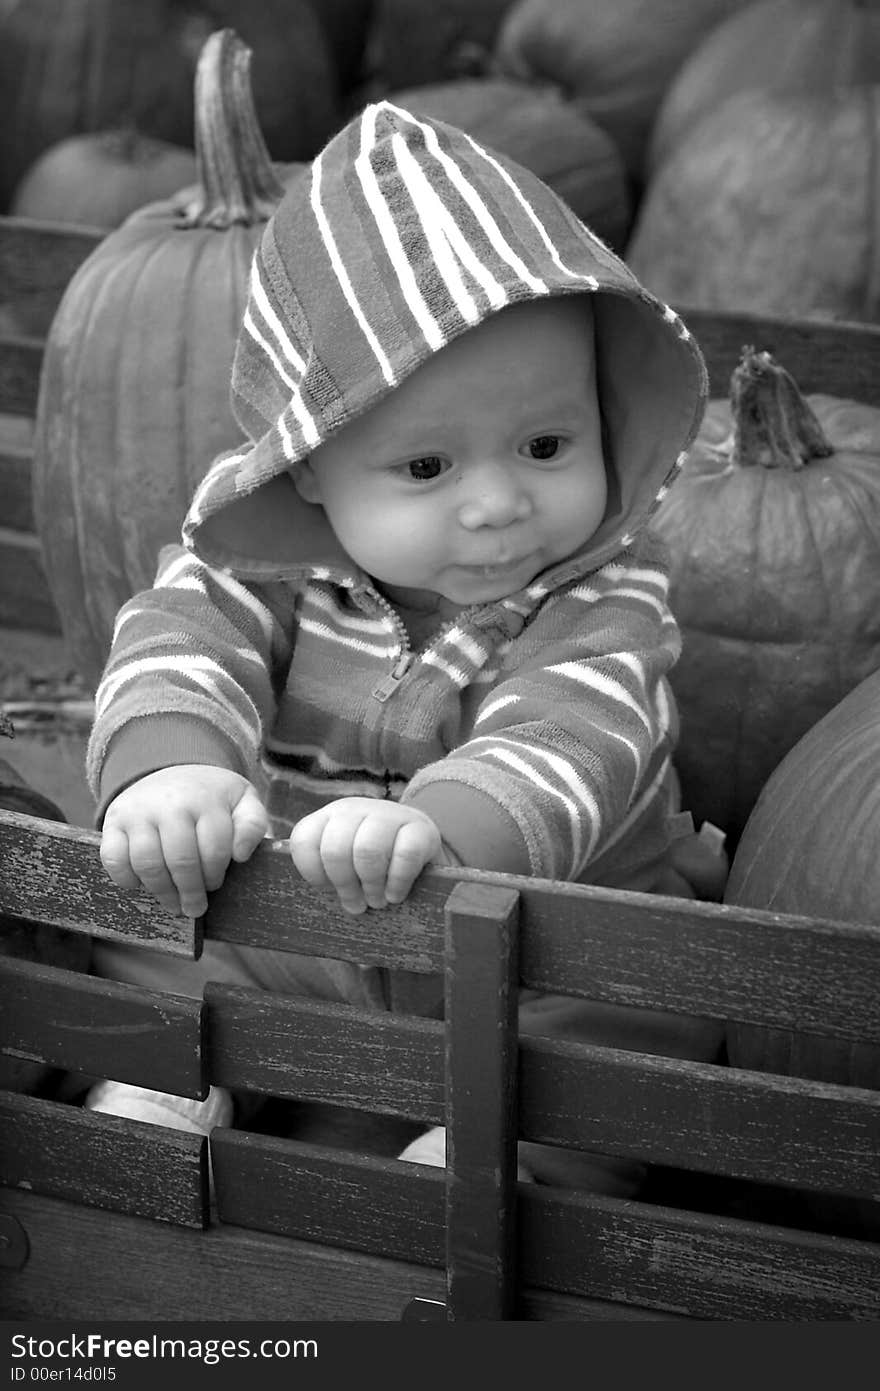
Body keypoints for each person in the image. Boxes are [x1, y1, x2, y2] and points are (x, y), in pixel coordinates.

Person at [82, 99, 726, 1188]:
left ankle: (499, 1157)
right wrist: (176, 763)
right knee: (157, 913)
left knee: (639, 1015)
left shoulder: (605, 594)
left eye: (544, 442)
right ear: (308, 471)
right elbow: (178, 635)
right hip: (310, 926)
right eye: (426, 467)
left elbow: (577, 735)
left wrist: (440, 823)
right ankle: (168, 1076)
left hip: (534, 946)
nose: (495, 503)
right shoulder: (268, 562)